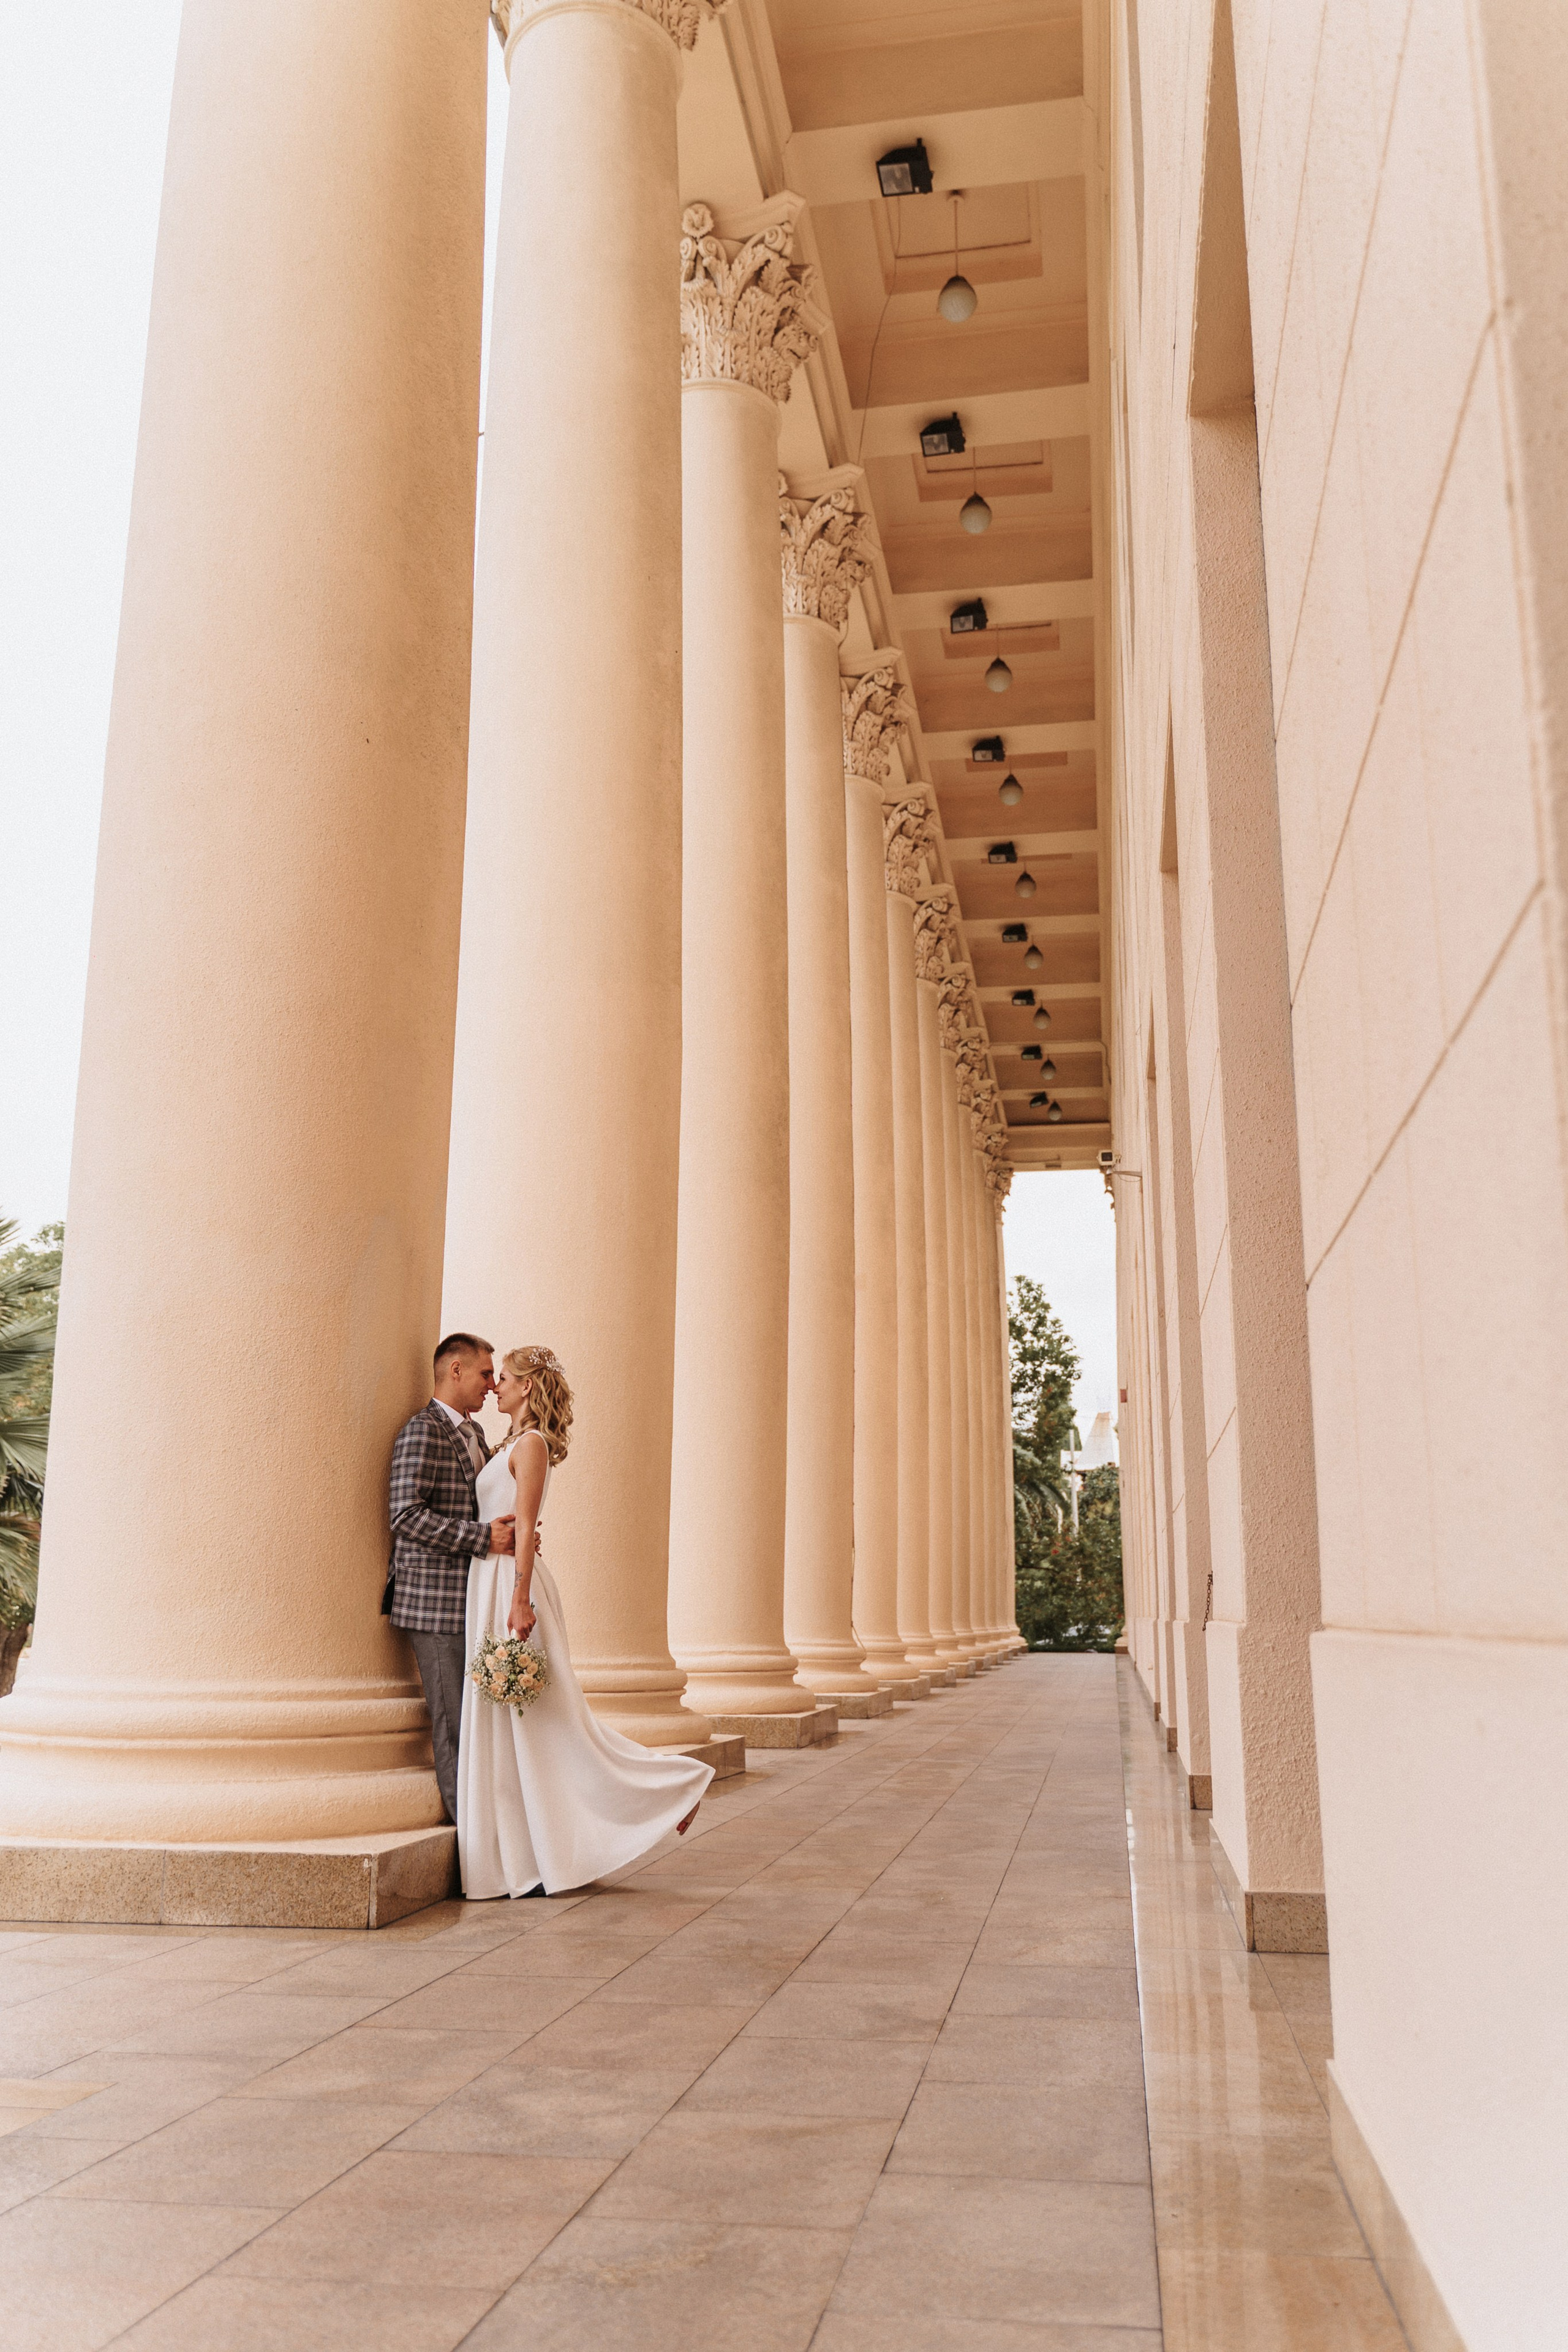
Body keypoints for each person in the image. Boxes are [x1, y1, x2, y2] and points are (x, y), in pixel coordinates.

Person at [458, 1344, 711, 1899]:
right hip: (492, 1581)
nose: (495, 1386)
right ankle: (524, 1849)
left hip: (510, 1586)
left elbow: (525, 1528)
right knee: (529, 1723)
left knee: (553, 1720)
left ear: (527, 1387)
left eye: (503, 1379)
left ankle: (673, 1786)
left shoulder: (531, 1446)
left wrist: (520, 1600)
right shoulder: (509, 1443)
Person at [387, 1332, 516, 1825]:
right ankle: (471, 1843)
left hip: (473, 1600)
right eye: (485, 1373)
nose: (491, 1383)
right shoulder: (421, 1430)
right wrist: (483, 1539)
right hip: (433, 1606)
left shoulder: (476, 1435)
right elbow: (405, 1515)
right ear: (455, 1371)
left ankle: (491, 1838)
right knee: (453, 1727)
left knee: (479, 1726)